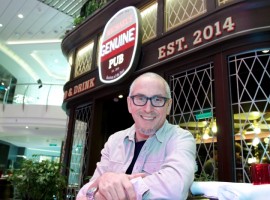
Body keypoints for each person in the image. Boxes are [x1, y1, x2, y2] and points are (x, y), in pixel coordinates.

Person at [76, 72, 196, 200]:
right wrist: (100, 183)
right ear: (129, 104)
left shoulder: (181, 138)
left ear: (168, 106)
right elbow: (84, 194)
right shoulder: (114, 141)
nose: (148, 109)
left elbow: (175, 188)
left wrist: (111, 190)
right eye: (140, 98)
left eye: (157, 99)